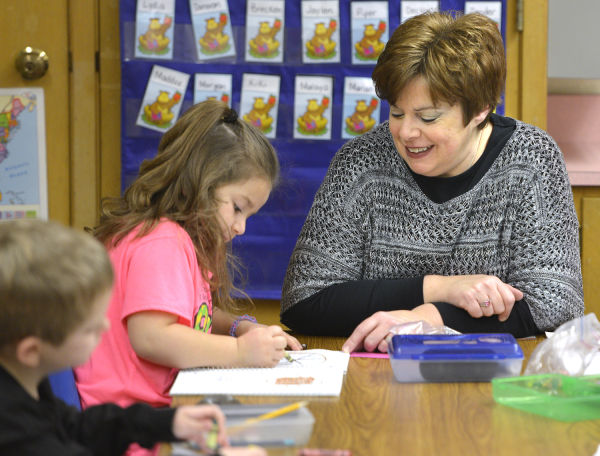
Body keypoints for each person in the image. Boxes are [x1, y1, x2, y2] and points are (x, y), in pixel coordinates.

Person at [281, 11, 584, 353]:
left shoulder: (531, 159)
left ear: (481, 109)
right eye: (396, 112)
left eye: (428, 117)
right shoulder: (361, 163)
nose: (407, 132)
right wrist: (438, 289)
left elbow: (557, 301)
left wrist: (432, 317)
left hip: (489, 382)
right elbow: (304, 301)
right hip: (376, 383)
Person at [74, 99, 301, 454]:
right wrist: (240, 351)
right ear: (198, 180)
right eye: (237, 208)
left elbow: (191, 315)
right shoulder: (161, 241)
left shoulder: (175, 238)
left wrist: (237, 326)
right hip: (131, 433)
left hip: (153, 418)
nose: (241, 227)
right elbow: (151, 336)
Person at [0, 218, 234, 455]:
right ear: (31, 351)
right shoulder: (16, 433)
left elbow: (75, 427)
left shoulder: (24, 382)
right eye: (89, 328)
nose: (105, 326)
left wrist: (166, 423)